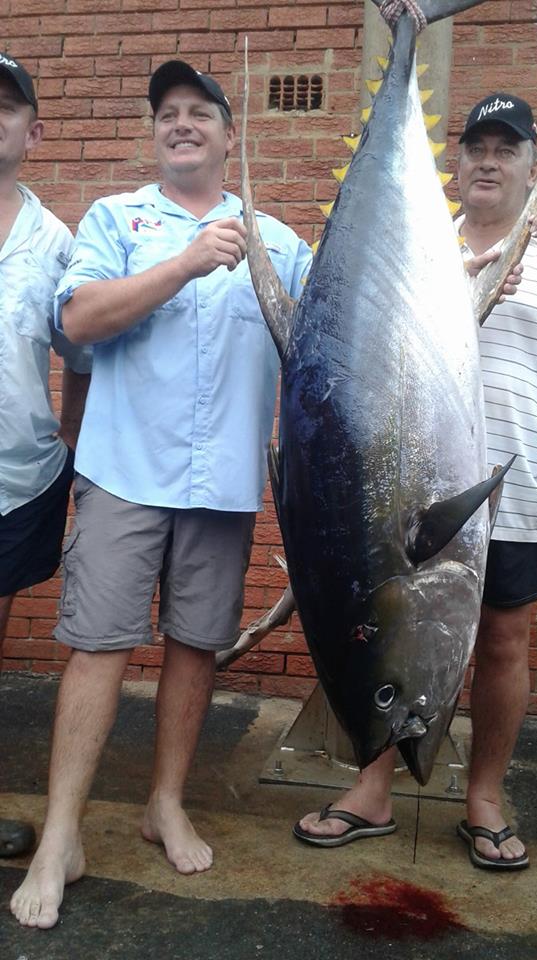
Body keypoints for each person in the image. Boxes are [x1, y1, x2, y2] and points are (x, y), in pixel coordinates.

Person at [9, 59, 311, 929]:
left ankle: (164, 802)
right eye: (167, 114)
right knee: (99, 645)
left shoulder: (277, 239)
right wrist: (182, 266)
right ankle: (61, 832)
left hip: (221, 484)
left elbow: (325, 339)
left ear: (228, 132)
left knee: (194, 646)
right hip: (122, 472)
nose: (181, 124)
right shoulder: (116, 219)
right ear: (156, 135)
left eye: (199, 113)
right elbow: (77, 321)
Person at [294, 93, 537, 871]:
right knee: (386, 626)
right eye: (475, 147)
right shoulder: (421, 245)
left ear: (531, 166)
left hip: (519, 484)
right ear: (456, 164)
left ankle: (483, 797)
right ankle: (373, 787)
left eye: (506, 149)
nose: (488, 161)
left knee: (506, 644)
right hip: (415, 490)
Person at [0, 56, 91, 859]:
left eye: (5, 107)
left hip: (15, 477)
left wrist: (68, 434)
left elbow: (79, 352)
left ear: (35, 131)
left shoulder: (56, 241)